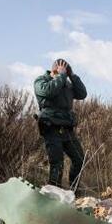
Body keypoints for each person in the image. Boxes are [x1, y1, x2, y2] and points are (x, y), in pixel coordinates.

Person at [34, 59, 88, 189]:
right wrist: (61, 76)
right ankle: (54, 196)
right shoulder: (42, 81)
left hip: (67, 129)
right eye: (62, 70)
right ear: (54, 70)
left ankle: (75, 191)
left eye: (65, 71)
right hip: (51, 128)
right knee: (57, 163)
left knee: (79, 159)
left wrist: (72, 76)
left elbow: (82, 94)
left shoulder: (66, 83)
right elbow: (48, 92)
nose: (64, 73)